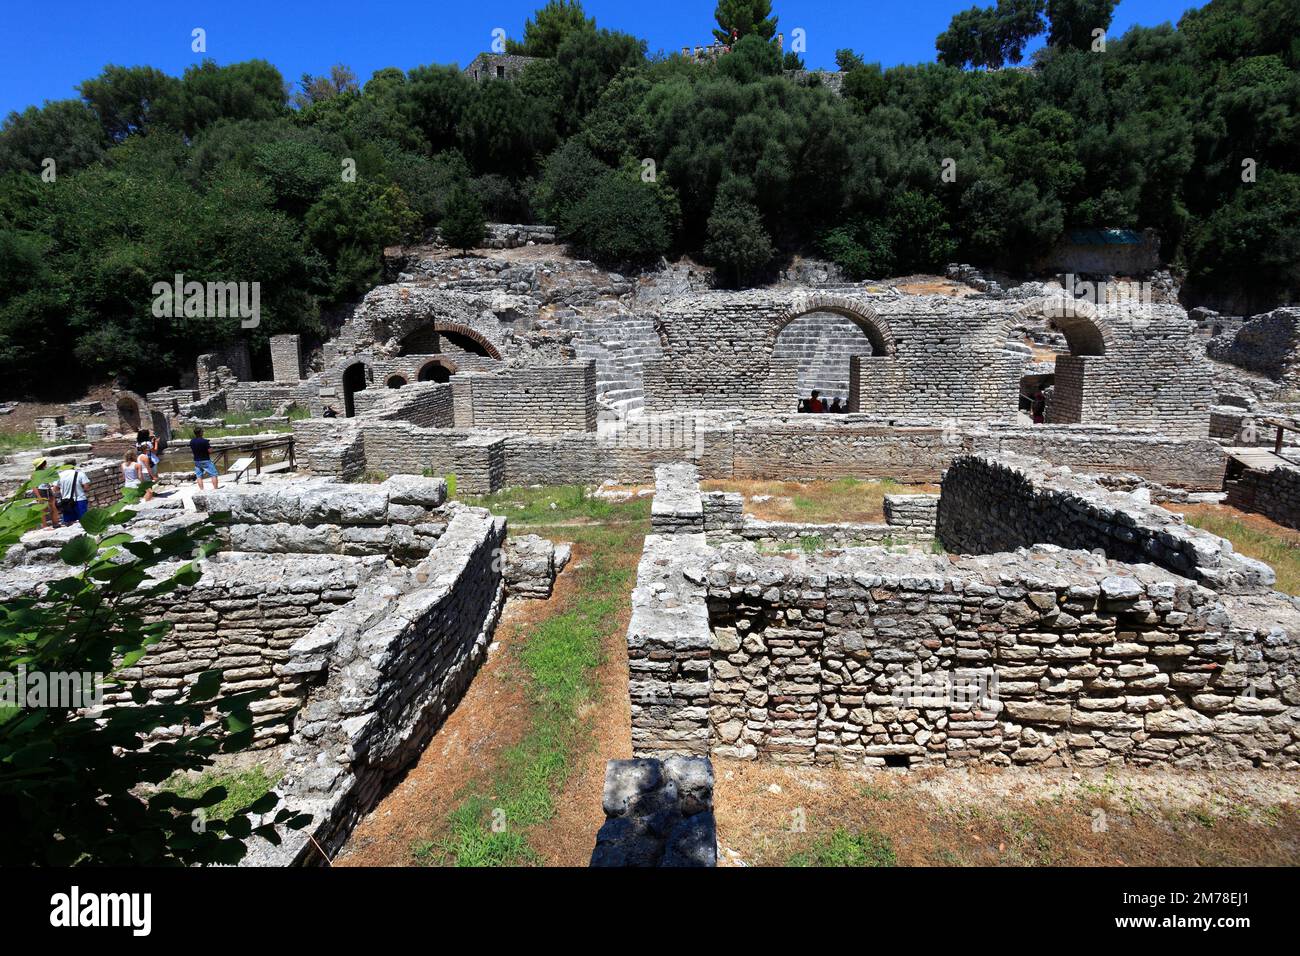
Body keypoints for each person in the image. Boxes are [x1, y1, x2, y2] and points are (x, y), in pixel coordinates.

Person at [56, 462, 90, 526]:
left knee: (69, 523)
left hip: (66, 502)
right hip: (80, 499)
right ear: (74, 465)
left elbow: (55, 489)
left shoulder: (59, 475)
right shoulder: (80, 474)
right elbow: (86, 487)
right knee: (85, 522)